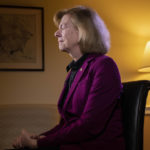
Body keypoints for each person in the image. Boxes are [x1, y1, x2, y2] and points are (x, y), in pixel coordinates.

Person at [12, 6, 125, 150]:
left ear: (83, 30)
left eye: (63, 27)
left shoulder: (104, 66)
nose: (56, 33)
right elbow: (66, 124)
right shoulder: (74, 70)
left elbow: (90, 125)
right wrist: (41, 137)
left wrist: (38, 144)